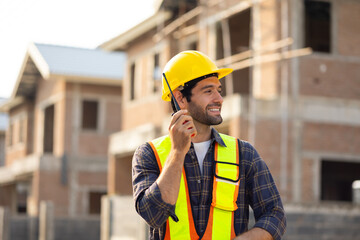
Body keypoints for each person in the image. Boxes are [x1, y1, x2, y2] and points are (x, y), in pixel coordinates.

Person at [132, 50, 286, 240]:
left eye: (218, 90)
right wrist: (177, 152)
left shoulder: (244, 154)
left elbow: (275, 215)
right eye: (208, 91)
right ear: (180, 98)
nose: (219, 99)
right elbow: (152, 215)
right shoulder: (149, 154)